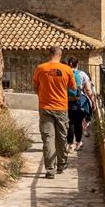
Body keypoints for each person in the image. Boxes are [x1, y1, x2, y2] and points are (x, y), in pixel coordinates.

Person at [33, 46, 76, 179]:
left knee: (48, 138)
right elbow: (73, 87)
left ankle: (50, 170)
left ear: (49, 54)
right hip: (61, 108)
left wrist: (43, 95)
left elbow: (35, 87)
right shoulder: (67, 69)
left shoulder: (40, 68)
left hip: (45, 107)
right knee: (61, 136)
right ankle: (61, 164)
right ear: (60, 55)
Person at [65, 57, 95, 151]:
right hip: (79, 101)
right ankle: (78, 143)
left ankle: (70, 145)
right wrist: (92, 101)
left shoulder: (65, 73)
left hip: (67, 101)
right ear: (77, 64)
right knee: (78, 122)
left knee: (70, 122)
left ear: (68, 64)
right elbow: (88, 89)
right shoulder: (82, 74)